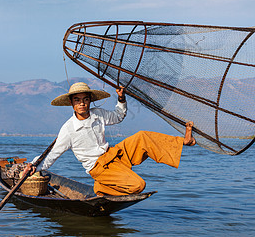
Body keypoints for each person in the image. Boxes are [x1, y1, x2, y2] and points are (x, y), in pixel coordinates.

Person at [23, 82, 196, 196]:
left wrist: (121, 99)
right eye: (77, 100)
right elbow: (53, 154)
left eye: (85, 99)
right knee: (138, 185)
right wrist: (34, 166)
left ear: (90, 101)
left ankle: (183, 141)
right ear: (72, 104)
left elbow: (118, 116)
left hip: (114, 154)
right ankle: (101, 187)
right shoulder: (68, 129)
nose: (82, 103)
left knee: (142, 136)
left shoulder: (97, 114)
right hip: (100, 168)